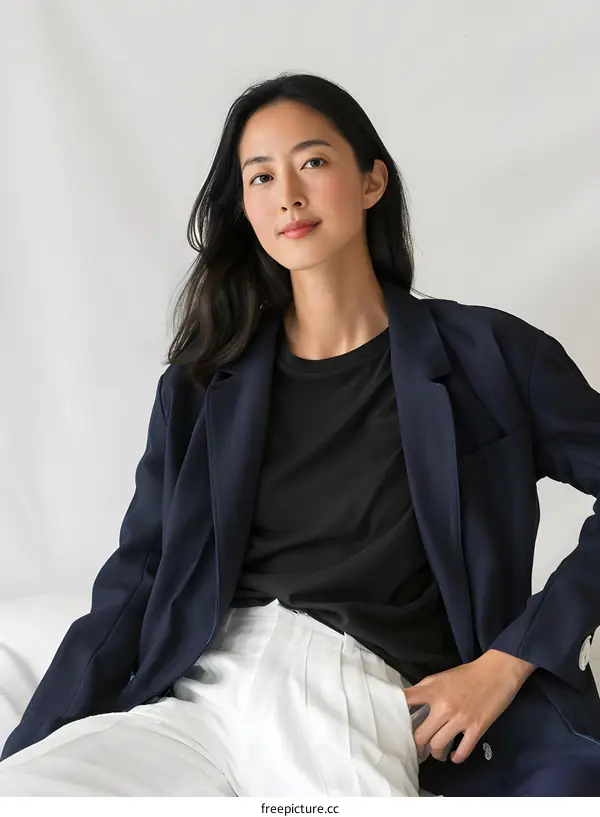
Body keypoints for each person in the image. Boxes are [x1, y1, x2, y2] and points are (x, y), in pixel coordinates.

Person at [1, 71, 600, 797]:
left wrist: (507, 662)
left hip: (347, 686)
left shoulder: (493, 356)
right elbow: (136, 577)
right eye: (260, 176)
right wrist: (35, 741)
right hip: (194, 690)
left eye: (312, 162)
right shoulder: (200, 386)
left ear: (372, 180)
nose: (287, 193)